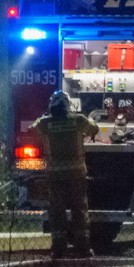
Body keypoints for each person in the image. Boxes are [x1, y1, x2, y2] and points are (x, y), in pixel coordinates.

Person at [31, 90, 100, 257]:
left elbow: (32, 130)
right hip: (76, 173)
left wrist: (43, 116)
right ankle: (83, 247)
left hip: (55, 175)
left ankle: (59, 248)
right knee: (79, 210)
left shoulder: (45, 123)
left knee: (57, 211)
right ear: (68, 104)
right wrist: (88, 118)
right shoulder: (78, 120)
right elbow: (94, 129)